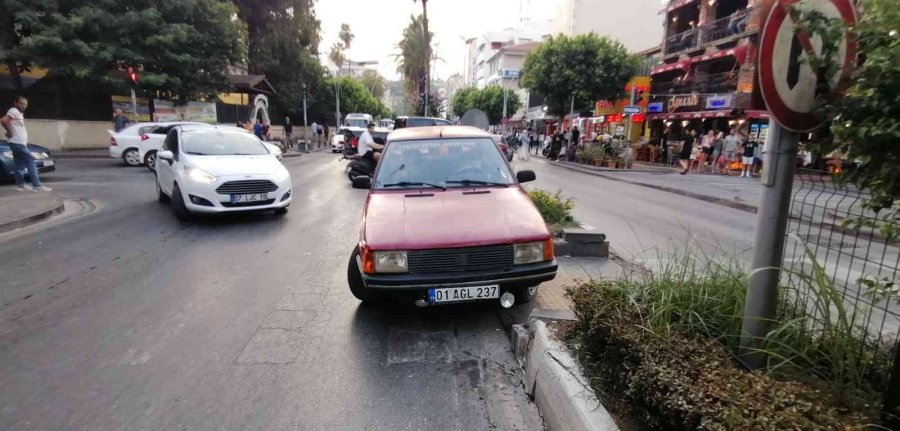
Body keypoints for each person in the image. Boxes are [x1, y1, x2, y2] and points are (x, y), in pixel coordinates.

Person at [1, 96, 50, 191]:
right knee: (31, 161)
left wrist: (9, 131)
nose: (24, 106)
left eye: (25, 104)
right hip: (17, 142)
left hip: (17, 143)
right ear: (15, 103)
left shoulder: (18, 113)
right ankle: (37, 185)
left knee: (19, 164)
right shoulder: (14, 111)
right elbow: (3, 120)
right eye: (21, 103)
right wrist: (9, 131)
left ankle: (20, 185)